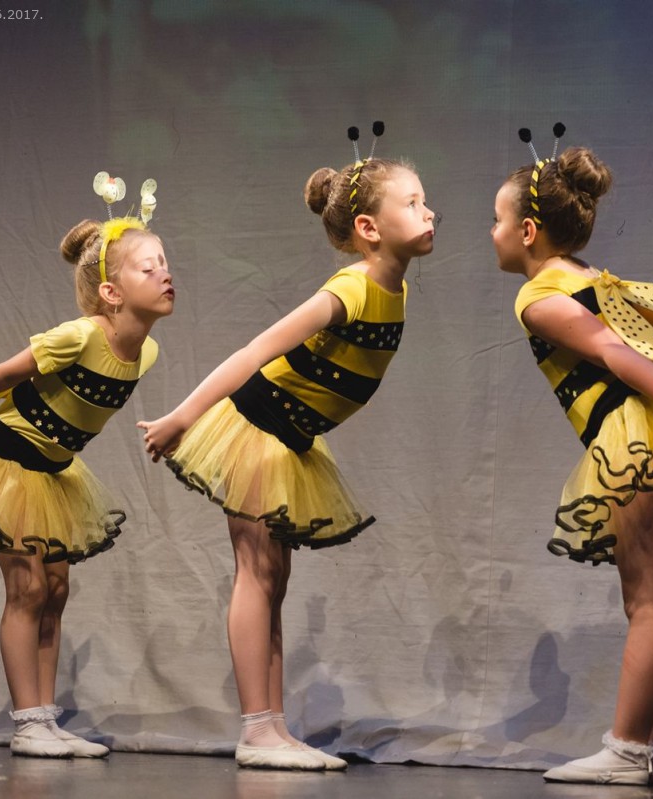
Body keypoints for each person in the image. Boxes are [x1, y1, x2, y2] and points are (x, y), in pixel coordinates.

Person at [138, 125, 434, 771]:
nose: (429, 211)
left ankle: (272, 727)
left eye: (424, 200)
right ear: (368, 227)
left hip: (292, 438)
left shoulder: (397, 288)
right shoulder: (350, 289)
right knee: (257, 573)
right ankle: (257, 729)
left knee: (274, 579)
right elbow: (254, 352)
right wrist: (183, 416)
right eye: (412, 202)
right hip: (257, 426)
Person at [495, 130, 653, 785]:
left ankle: (629, 749)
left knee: (652, 602)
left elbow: (611, 351)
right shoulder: (605, 282)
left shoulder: (538, 297)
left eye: (496, 221)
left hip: (644, 434)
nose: (493, 233)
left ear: (527, 231)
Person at [0, 185, 174, 758]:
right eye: (149, 268)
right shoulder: (80, 335)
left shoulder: (146, 353)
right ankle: (28, 724)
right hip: (7, 460)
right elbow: (3, 374)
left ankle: (47, 720)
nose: (166, 274)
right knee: (27, 588)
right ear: (111, 292)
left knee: (56, 589)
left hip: (54, 472)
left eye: (165, 264)